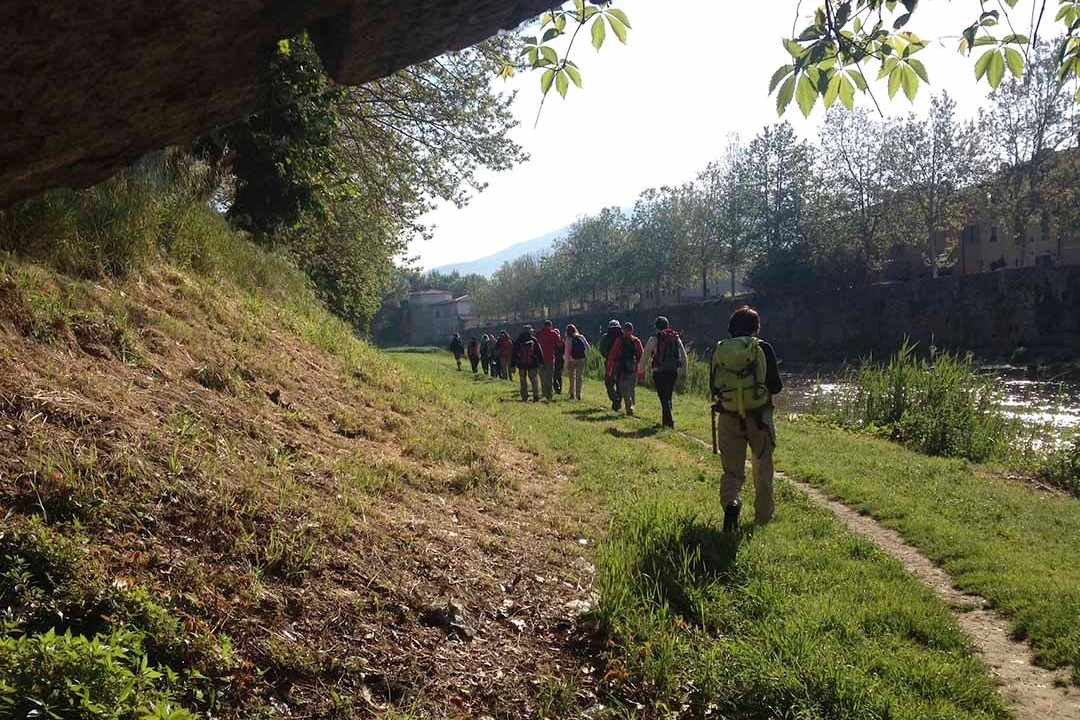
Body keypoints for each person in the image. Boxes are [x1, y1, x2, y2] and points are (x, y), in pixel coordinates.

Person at [710, 305, 783, 533]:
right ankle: (763, 518)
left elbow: (714, 387)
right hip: (759, 417)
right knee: (762, 468)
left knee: (732, 471)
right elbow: (776, 386)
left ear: (731, 327)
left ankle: (731, 502)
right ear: (756, 327)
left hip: (729, 417)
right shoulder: (762, 348)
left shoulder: (720, 350)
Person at [638, 316, 688, 429]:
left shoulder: (655, 338)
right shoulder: (675, 337)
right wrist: (684, 371)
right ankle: (666, 421)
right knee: (668, 395)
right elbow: (684, 356)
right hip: (673, 371)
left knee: (663, 397)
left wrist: (641, 370)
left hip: (659, 372)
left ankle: (669, 422)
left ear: (656, 327)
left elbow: (645, 355)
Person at [605, 322, 644, 417]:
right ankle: (630, 406)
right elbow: (642, 357)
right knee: (631, 388)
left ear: (623, 330)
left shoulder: (620, 340)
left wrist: (608, 369)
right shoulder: (636, 341)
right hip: (633, 368)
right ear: (632, 330)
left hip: (622, 368)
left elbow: (612, 355)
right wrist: (642, 372)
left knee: (624, 388)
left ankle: (629, 406)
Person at [598, 320, 624, 411]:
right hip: (621, 363)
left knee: (609, 382)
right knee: (619, 383)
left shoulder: (605, 337)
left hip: (610, 363)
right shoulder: (623, 337)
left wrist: (608, 357)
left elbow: (601, 350)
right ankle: (618, 400)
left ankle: (614, 398)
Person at [513, 325, 543, 402]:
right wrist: (541, 362)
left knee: (523, 380)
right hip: (532, 363)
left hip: (521, 364)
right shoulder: (533, 340)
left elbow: (514, 353)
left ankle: (524, 396)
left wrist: (512, 364)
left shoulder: (518, 340)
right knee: (534, 379)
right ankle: (536, 396)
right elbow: (539, 352)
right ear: (530, 331)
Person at [535, 320, 560, 401]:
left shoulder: (538, 334)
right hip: (550, 357)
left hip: (540, 358)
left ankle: (544, 391)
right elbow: (558, 345)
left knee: (542, 376)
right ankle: (549, 394)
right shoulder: (554, 333)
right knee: (550, 376)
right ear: (550, 326)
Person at [564, 324, 590, 400]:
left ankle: (572, 393)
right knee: (579, 377)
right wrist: (586, 357)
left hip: (572, 360)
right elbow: (588, 347)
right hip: (581, 359)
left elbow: (567, 352)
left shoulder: (568, 339)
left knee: (572, 378)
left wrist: (567, 362)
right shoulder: (580, 337)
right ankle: (578, 395)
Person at [553, 328, 565, 395]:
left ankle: (557, 388)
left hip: (556, 360)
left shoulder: (552, 342)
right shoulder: (562, 342)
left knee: (555, 375)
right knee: (559, 375)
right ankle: (559, 388)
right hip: (560, 360)